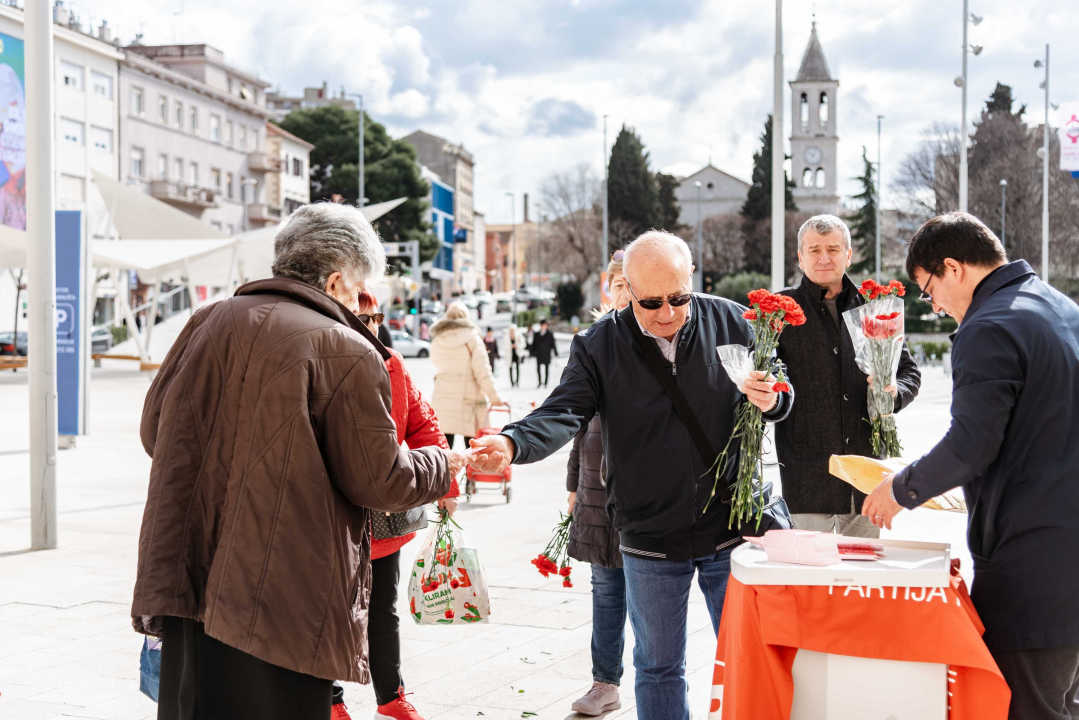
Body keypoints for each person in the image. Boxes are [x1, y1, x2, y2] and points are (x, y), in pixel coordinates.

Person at [132, 202, 466, 720]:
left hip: (191, 573)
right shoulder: (347, 349)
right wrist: (446, 463)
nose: (360, 305)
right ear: (335, 282)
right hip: (282, 593)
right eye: (358, 292)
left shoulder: (208, 320)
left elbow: (156, 432)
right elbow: (380, 479)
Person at [467, 231, 792, 720]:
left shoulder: (732, 320)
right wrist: (513, 442)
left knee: (751, 656)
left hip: (731, 527)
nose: (667, 313)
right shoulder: (599, 345)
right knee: (659, 666)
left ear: (692, 281)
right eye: (651, 302)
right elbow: (562, 412)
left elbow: (782, 385)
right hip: (649, 533)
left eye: (679, 298)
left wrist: (773, 398)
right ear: (626, 289)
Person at [861, 212, 1079, 720]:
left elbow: (971, 445)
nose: (933, 306)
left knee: (1028, 707)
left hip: (1033, 564)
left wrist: (900, 488)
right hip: (1065, 555)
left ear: (953, 268)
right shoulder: (1062, 309)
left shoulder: (989, 326)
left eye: (927, 289)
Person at [330, 292, 460, 720]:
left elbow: (424, 423)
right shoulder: (325, 362)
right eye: (359, 317)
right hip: (335, 514)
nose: (369, 325)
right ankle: (330, 701)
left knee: (382, 608)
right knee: (332, 607)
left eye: (375, 317)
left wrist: (447, 483)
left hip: (384, 512)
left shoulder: (392, 364)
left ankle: (390, 696)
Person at [777, 215, 921, 538]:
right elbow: (767, 379)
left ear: (848, 254)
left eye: (833, 249)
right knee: (813, 583)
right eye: (814, 250)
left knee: (860, 582)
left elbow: (909, 371)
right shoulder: (780, 311)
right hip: (807, 479)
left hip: (867, 476)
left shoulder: (875, 306)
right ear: (800, 257)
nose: (824, 258)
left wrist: (894, 393)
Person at [567, 250, 631, 716]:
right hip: (595, 486)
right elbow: (577, 417)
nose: (625, 292)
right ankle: (603, 681)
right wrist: (573, 483)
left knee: (652, 592)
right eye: (619, 284)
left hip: (644, 491)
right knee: (606, 590)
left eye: (633, 283)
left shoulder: (664, 338)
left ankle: (655, 675)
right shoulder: (591, 342)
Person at [430, 301, 503, 450]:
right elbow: (483, 371)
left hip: (443, 396)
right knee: (472, 448)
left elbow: (435, 361)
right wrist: (494, 397)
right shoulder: (473, 339)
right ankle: (470, 474)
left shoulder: (438, 339)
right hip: (469, 400)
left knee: (445, 449)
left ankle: (447, 474)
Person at [529, 318, 557, 388]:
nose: (544, 326)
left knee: (547, 368)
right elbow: (533, 344)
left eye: (545, 325)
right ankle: (539, 382)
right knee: (538, 368)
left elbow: (553, 344)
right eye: (542, 325)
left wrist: (556, 353)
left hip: (547, 353)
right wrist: (532, 353)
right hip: (539, 354)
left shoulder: (550, 334)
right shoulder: (536, 334)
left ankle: (545, 383)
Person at [507, 323, 524, 387]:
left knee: (517, 368)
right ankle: (512, 382)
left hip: (517, 354)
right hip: (510, 355)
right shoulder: (507, 336)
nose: (512, 332)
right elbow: (504, 346)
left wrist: (517, 346)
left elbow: (523, 344)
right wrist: (510, 346)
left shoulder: (518, 336)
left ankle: (517, 382)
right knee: (510, 368)